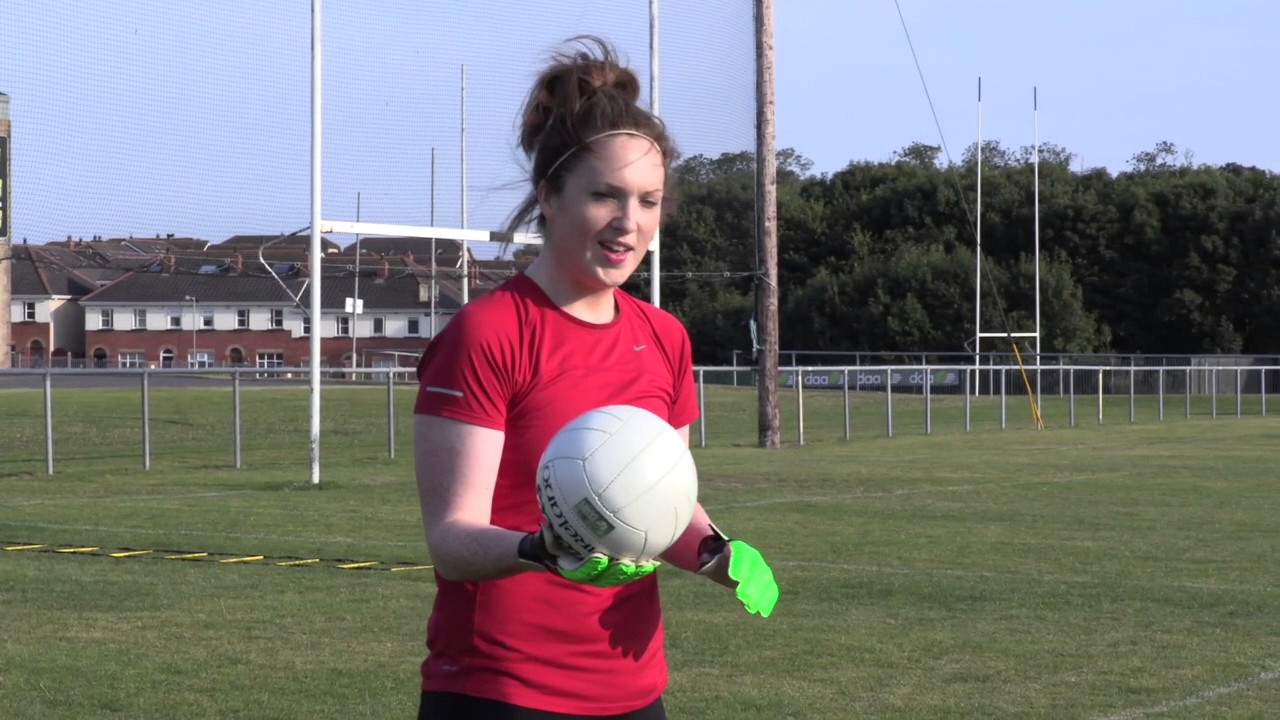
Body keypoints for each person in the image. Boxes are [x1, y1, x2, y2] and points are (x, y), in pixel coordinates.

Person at [412, 36, 779, 720]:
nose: (629, 224)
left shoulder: (664, 338)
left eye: (648, 200)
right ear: (549, 194)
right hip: (499, 694)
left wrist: (714, 551)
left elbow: (657, 504)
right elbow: (452, 540)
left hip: (633, 692)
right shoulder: (489, 334)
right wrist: (543, 549)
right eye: (605, 195)